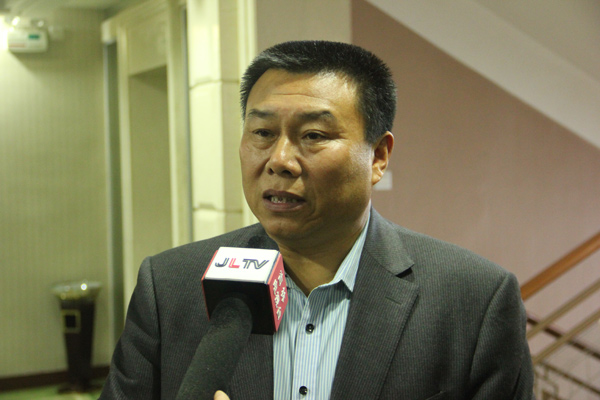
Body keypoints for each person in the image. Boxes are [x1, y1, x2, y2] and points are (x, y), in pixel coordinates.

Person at [100, 41, 535, 400]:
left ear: (378, 156)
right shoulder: (170, 287)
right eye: (263, 133)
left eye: (313, 136)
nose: (280, 160)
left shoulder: (473, 301)